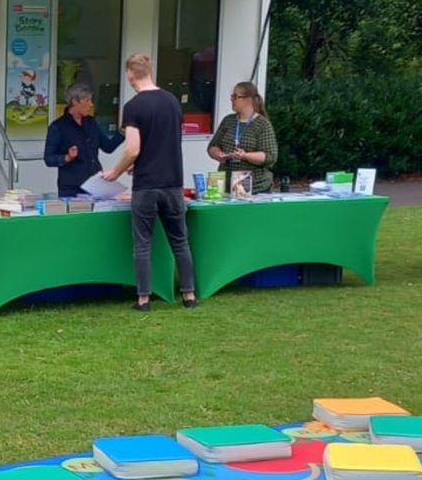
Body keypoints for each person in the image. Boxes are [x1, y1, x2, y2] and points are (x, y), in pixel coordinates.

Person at [101, 53, 197, 312]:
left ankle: (143, 299)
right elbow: (164, 142)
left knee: (142, 243)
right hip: (173, 182)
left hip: (146, 186)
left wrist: (116, 172)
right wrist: (138, 162)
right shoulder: (173, 102)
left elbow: (133, 149)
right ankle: (188, 295)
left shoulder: (133, 107)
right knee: (180, 240)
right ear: (150, 71)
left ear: (130, 75)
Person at [43, 82, 124, 198]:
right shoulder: (58, 127)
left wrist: (123, 131)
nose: (91, 104)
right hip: (71, 188)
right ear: (75, 101)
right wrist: (67, 157)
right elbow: (48, 159)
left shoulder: (91, 123)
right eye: (87, 101)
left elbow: (108, 147)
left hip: (96, 184)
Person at [206, 81, 278, 194]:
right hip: (226, 184)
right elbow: (212, 146)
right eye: (232, 96)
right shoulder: (228, 121)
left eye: (235, 97)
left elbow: (270, 156)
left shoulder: (262, 124)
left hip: (255, 186)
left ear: (248, 100)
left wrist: (245, 156)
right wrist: (218, 154)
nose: (231, 100)